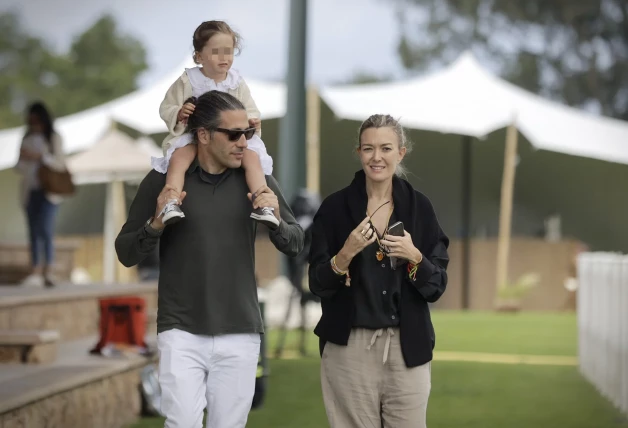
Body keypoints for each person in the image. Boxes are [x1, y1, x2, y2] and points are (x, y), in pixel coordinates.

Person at [115, 90, 304, 428]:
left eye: (247, 134)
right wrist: (155, 224)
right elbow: (126, 251)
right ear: (203, 135)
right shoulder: (163, 181)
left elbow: (295, 243)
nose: (243, 143)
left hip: (241, 330)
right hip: (180, 331)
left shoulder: (257, 179)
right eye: (233, 134)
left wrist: (274, 221)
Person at [308, 114, 450, 428]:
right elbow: (319, 284)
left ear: (401, 152)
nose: (377, 157)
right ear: (359, 153)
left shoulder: (420, 209)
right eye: (369, 148)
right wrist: (345, 254)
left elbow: (435, 286)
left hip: (407, 347)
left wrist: (415, 257)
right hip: (348, 349)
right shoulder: (334, 209)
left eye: (386, 148)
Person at [152, 20, 277, 228]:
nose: (224, 58)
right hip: (194, 135)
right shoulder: (187, 80)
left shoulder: (237, 82)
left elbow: (250, 108)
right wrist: (180, 112)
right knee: (179, 157)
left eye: (228, 52)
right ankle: (171, 199)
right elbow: (166, 106)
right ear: (199, 55)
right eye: (216, 52)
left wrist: (251, 121)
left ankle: (262, 201)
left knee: (252, 157)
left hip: (230, 137)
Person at [15, 102, 68, 287]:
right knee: (33, 230)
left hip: (49, 192)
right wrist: (25, 157)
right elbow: (19, 168)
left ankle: (49, 269)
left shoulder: (54, 138)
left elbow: (60, 164)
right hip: (31, 191)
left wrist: (40, 156)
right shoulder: (26, 138)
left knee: (46, 229)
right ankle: (35, 269)